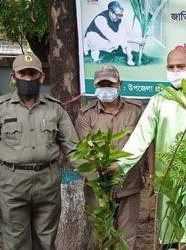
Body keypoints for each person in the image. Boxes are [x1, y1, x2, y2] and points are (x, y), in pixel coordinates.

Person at [108, 48, 186, 249]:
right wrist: (120, 164)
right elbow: (141, 136)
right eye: (171, 67)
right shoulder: (159, 100)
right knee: (170, 233)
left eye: (180, 66)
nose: (175, 70)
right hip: (169, 177)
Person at [0, 54, 79, 249]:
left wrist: (97, 176)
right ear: (13, 77)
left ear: (41, 77)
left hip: (47, 184)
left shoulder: (55, 109)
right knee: (16, 243)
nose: (27, 78)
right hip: (12, 185)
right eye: (22, 74)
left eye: (32, 74)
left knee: (46, 242)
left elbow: (73, 148)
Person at [75, 65, 154, 249]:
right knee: (98, 237)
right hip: (98, 187)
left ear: (119, 84)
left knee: (127, 239)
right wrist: (99, 175)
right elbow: (85, 152)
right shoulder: (86, 115)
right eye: (101, 84)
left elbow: (148, 141)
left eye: (109, 83)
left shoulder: (135, 110)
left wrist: (151, 173)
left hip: (129, 183)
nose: (105, 87)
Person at [83, 1, 144, 66]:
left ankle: (129, 59)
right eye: (117, 15)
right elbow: (114, 37)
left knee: (123, 41)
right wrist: (136, 41)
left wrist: (129, 57)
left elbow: (123, 36)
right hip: (93, 42)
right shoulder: (100, 19)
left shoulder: (119, 21)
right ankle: (95, 59)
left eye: (121, 15)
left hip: (106, 41)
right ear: (110, 12)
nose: (119, 17)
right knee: (92, 36)